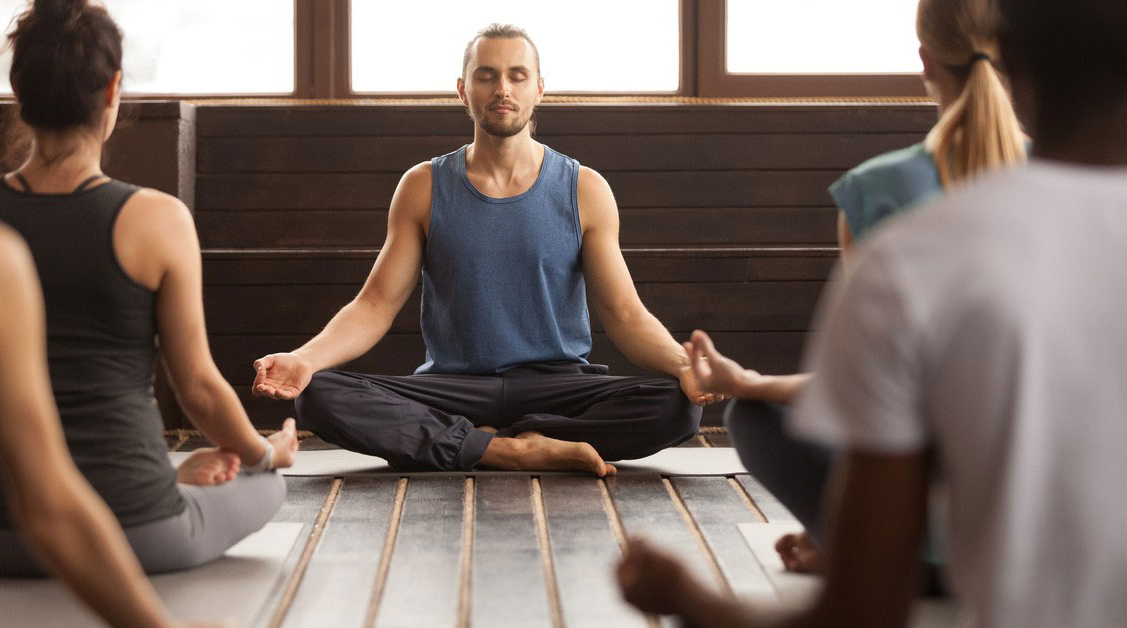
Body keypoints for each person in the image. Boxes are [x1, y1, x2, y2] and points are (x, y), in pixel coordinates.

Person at [619, 0, 1127, 625]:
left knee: (763, 417)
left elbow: (857, 616)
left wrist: (685, 599)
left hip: (929, 536)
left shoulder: (907, 255)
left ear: (1007, 57)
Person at [252, 23, 717, 475]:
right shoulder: (423, 186)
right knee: (317, 393)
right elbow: (375, 305)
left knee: (676, 405)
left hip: (559, 387)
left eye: (517, 75)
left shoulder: (584, 188)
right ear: (462, 89)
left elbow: (626, 316)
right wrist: (306, 359)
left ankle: (491, 441)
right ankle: (506, 449)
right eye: (486, 75)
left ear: (539, 89)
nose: (502, 89)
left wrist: (684, 365)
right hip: (454, 388)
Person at [0, 0, 297, 576]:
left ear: (16, 88)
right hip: (138, 531)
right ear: (112, 90)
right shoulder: (159, 220)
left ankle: (159, 473)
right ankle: (165, 476)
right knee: (266, 487)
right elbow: (199, 390)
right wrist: (265, 454)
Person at [702, 0, 1028, 573]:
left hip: (926, 541)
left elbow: (863, 391)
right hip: (1043, 533)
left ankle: (868, 551)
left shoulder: (876, 189)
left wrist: (748, 382)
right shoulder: (1067, 179)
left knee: (750, 415)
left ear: (925, 61)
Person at [0, 211, 215, 627]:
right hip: (142, 513)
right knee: (263, 486)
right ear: (106, 137)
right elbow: (47, 505)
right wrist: (263, 454)